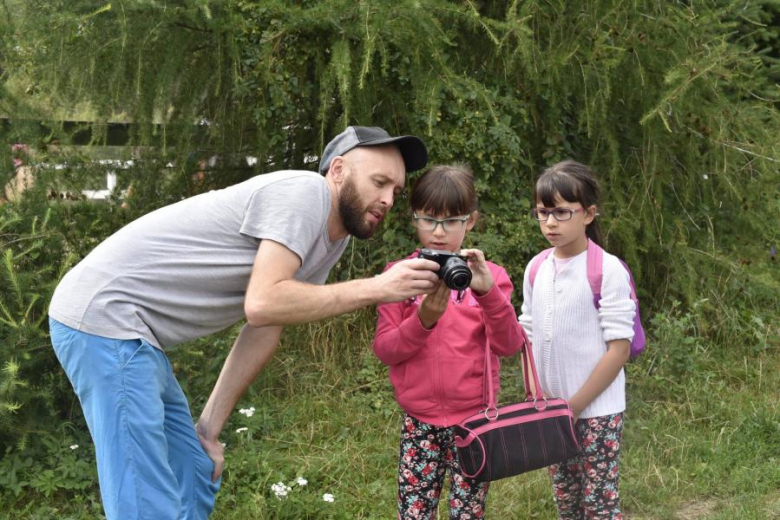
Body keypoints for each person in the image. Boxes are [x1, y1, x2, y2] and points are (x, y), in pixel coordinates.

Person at [48, 126, 443, 520]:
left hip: (139, 334)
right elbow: (263, 301)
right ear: (338, 170)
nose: (389, 199)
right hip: (104, 318)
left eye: (396, 190)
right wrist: (376, 287)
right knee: (144, 500)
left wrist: (209, 430)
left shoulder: (333, 238)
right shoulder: (305, 194)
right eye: (379, 182)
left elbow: (267, 324)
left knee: (195, 465)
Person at [372, 164, 524, 519]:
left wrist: (486, 293)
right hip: (419, 419)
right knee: (414, 511)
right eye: (428, 219)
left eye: (451, 221)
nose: (438, 232)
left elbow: (508, 345)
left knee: (468, 513)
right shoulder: (399, 276)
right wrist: (422, 320)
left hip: (474, 421)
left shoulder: (491, 277)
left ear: (469, 221)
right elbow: (386, 350)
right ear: (414, 219)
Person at [518, 160, 636, 519]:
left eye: (562, 212)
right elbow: (529, 335)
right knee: (566, 501)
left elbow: (620, 349)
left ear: (588, 214)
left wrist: (575, 406)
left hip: (598, 412)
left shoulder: (607, 269)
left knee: (600, 504)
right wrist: (538, 398)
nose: (550, 222)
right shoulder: (536, 267)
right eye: (542, 212)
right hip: (552, 411)